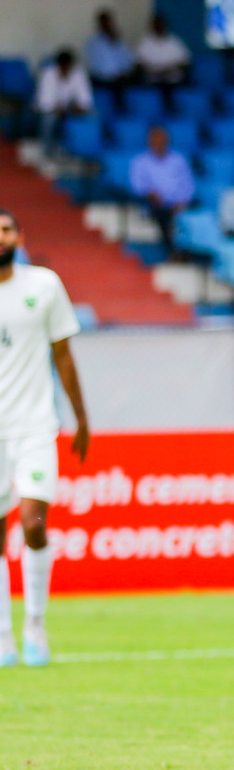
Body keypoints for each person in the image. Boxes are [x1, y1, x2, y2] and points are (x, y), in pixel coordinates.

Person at [0, 209, 89, 667]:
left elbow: (65, 356)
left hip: (34, 425)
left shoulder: (43, 285)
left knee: (33, 523)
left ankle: (34, 623)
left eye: (6, 228)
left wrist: (81, 419)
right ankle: (3, 636)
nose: (0, 237)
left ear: (20, 235)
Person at [129, 125, 195, 256]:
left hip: (178, 204)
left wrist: (182, 201)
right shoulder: (140, 161)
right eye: (155, 140)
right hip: (155, 204)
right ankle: (172, 252)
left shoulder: (178, 159)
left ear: (167, 141)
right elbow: (137, 186)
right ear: (149, 141)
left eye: (162, 140)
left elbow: (188, 184)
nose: (159, 143)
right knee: (163, 216)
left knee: (194, 214)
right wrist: (150, 193)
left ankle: (191, 253)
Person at [34, 49, 93, 152]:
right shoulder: (48, 75)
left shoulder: (78, 74)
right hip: (51, 110)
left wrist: (81, 108)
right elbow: (44, 103)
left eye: (69, 67)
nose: (66, 70)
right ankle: (46, 152)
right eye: (64, 67)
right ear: (58, 65)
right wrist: (59, 110)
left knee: (93, 115)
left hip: (69, 108)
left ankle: (85, 150)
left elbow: (85, 98)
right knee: (48, 120)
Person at [85, 9, 135, 98]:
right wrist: (114, 75)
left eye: (108, 22)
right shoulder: (94, 42)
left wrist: (124, 72)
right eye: (104, 22)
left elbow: (128, 60)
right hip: (102, 77)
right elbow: (97, 66)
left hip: (120, 76)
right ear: (100, 24)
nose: (107, 25)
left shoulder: (119, 40)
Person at [136, 13, 190, 86]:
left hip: (173, 81)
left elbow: (186, 62)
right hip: (152, 81)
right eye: (157, 24)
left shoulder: (174, 41)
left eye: (161, 24)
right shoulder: (145, 43)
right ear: (152, 26)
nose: (159, 27)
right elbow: (139, 65)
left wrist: (171, 70)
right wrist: (155, 71)